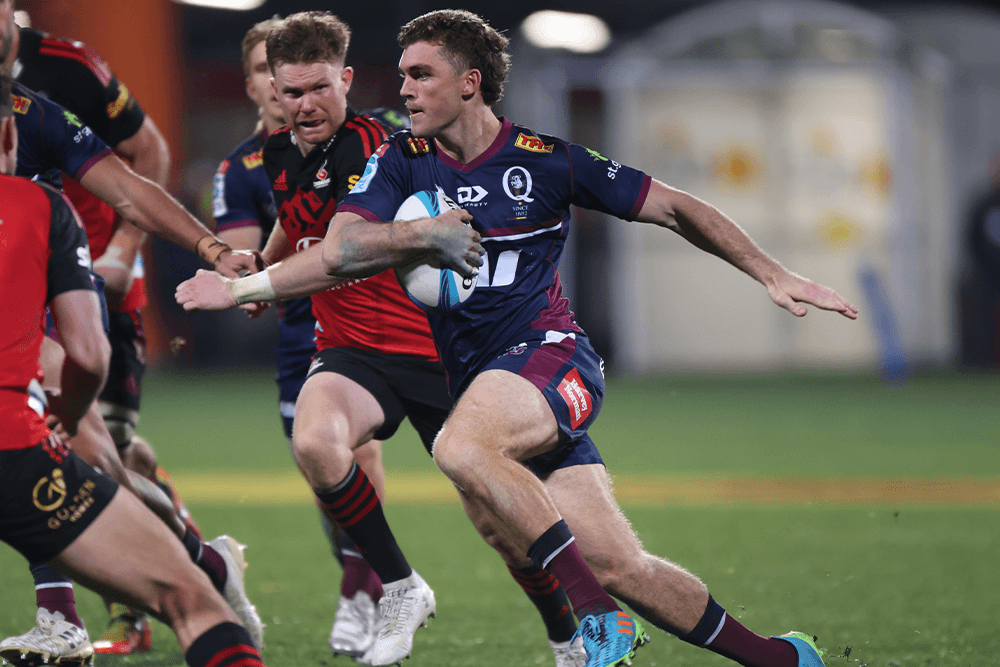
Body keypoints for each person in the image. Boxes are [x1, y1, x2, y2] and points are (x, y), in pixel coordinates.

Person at [180, 9, 859, 667]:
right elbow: (343, 247)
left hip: (552, 358)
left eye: (421, 74)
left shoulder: (546, 161)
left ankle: (593, 617)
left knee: (460, 445)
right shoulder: (401, 160)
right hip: (484, 384)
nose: (406, 89)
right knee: (618, 562)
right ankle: (779, 656)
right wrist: (413, 236)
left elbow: (676, 206)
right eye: (404, 75)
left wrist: (770, 271)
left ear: (469, 81)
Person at [182, 12, 585, 667]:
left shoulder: (380, 147)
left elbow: (344, 249)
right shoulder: (282, 152)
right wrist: (264, 265)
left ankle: (570, 634)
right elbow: (296, 220)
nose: (305, 104)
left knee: (498, 523)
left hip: (434, 352)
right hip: (351, 350)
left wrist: (251, 289)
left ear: (345, 80)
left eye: (318, 88)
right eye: (290, 92)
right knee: (315, 441)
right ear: (273, 95)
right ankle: (400, 586)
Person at [0, 1, 263, 659]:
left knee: (94, 458)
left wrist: (204, 249)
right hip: (48, 322)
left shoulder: (46, 97)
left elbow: (131, 181)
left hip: (54, 308)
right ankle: (195, 573)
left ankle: (194, 571)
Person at [212, 17, 390, 659]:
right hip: (298, 330)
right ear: (260, 86)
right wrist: (247, 276)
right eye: (267, 74)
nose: (284, 90)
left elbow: (344, 245)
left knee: (357, 452)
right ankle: (370, 584)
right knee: (324, 470)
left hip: (372, 326)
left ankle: (364, 591)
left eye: (291, 76)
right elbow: (247, 252)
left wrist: (258, 281)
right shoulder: (245, 166)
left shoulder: (366, 139)